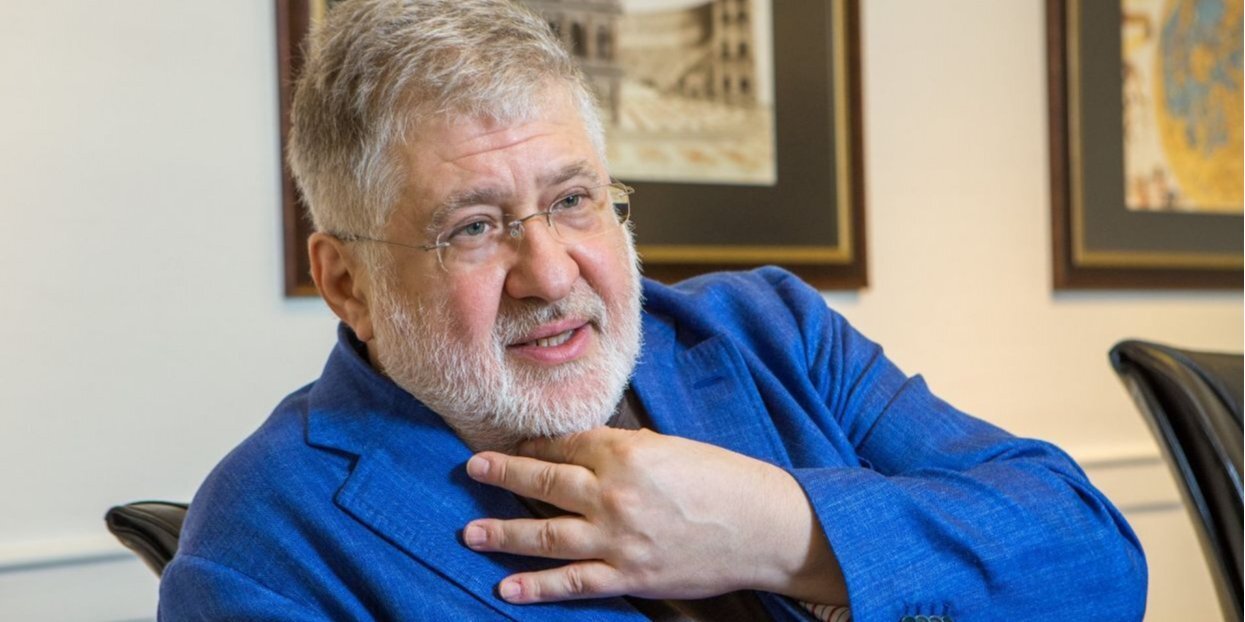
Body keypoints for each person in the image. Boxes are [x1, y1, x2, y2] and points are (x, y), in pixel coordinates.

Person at [158, 1, 1147, 620]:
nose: (551, 273)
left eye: (573, 199)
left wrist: (784, 531)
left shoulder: (771, 333)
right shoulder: (264, 542)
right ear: (346, 282)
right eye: (474, 227)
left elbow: (1097, 561)